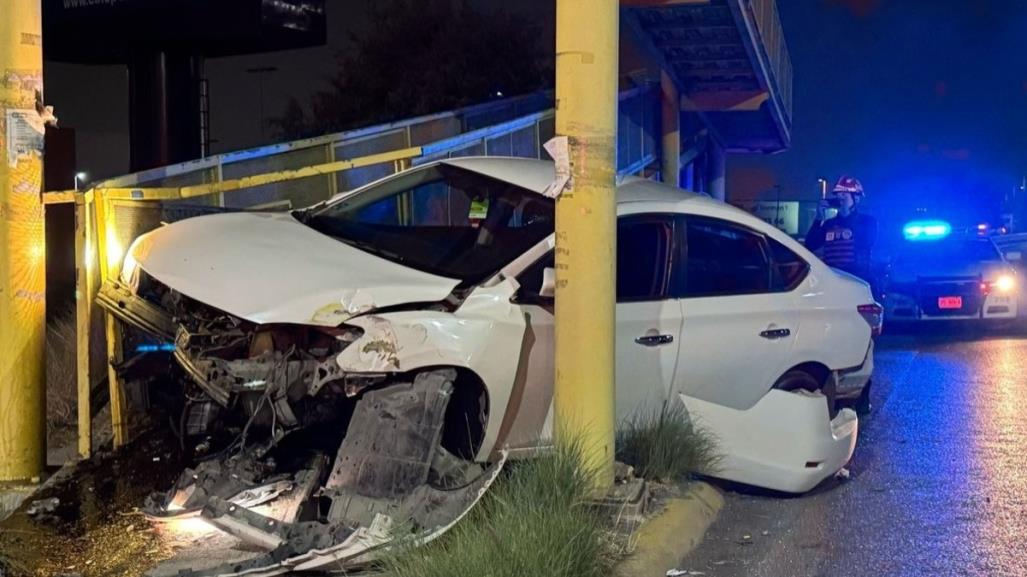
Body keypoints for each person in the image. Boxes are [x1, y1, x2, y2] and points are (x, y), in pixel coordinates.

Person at [805, 176, 878, 284]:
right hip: (833, 281)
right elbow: (810, 245)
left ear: (856, 198)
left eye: (844, 194)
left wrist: (847, 214)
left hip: (857, 280)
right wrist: (819, 218)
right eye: (838, 194)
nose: (840, 197)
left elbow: (866, 242)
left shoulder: (867, 221)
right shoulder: (829, 224)